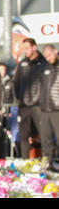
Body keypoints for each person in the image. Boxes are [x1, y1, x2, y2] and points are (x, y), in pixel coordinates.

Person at [13, 38, 48, 159]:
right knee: (24, 135)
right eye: (24, 49)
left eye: (27, 48)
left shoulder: (43, 63)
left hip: (39, 105)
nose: (25, 52)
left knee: (43, 134)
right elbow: (16, 83)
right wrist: (18, 98)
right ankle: (24, 160)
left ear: (34, 47)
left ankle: (46, 161)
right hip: (24, 106)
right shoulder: (22, 64)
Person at [39, 44, 59, 172]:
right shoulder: (45, 67)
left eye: (50, 55)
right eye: (45, 57)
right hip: (45, 109)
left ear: (56, 51)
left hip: (57, 109)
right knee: (45, 138)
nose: (48, 58)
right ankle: (48, 165)